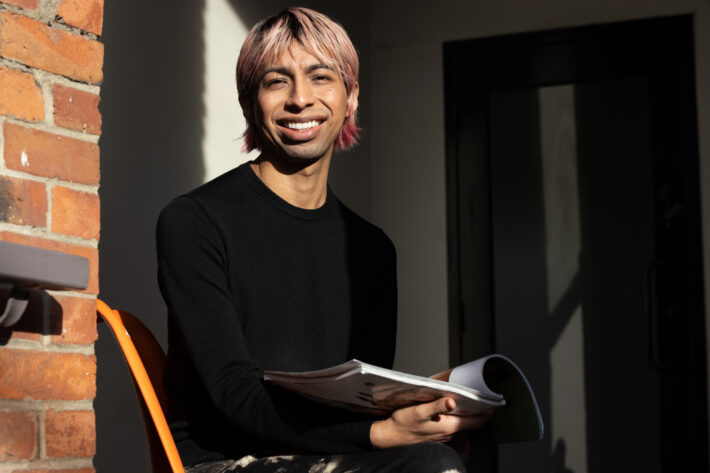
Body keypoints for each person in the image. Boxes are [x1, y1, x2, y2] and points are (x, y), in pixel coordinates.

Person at [156, 7, 492, 473]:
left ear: (350, 97)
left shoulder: (372, 250)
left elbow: (360, 395)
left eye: (320, 78)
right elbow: (234, 392)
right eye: (277, 81)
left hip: (330, 453)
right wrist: (382, 435)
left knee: (443, 453)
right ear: (249, 102)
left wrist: (425, 411)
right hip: (222, 461)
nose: (300, 99)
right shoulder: (193, 222)